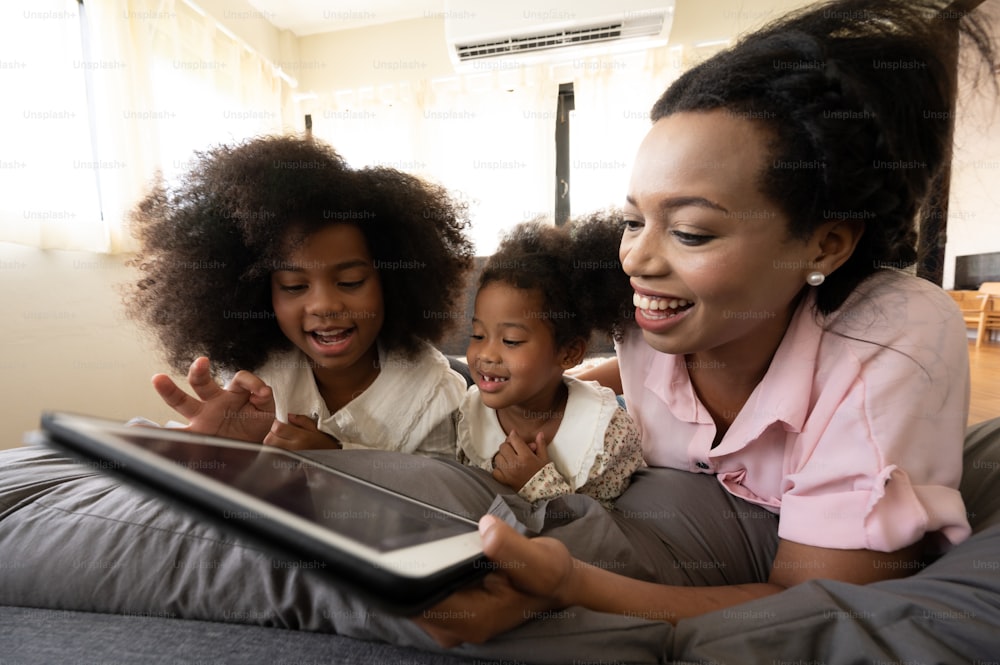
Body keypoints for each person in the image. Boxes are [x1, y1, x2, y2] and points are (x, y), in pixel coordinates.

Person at [415, 0, 997, 645]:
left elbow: (806, 606)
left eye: (691, 231)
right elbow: (636, 376)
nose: (636, 258)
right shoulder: (645, 315)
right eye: (633, 219)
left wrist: (570, 587)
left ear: (824, 245)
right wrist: (567, 379)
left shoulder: (890, 336)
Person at [125, 135, 474, 456]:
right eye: (294, 286)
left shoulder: (438, 395)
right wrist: (221, 455)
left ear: (393, 282)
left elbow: (441, 501)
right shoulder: (253, 376)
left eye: (351, 281)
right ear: (261, 294)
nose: (324, 306)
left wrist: (336, 460)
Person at [457, 216, 645, 506]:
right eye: (478, 335)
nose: (486, 355)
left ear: (568, 353)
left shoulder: (607, 435)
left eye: (511, 341)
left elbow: (608, 536)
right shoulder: (468, 414)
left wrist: (541, 485)